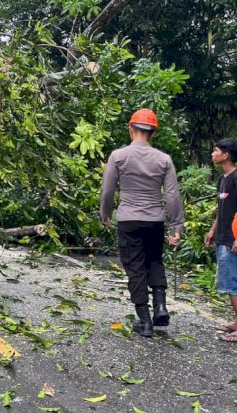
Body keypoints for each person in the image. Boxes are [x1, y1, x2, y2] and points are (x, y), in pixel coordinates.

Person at [99, 108, 183, 337]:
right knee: (155, 261)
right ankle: (161, 306)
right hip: (155, 220)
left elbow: (107, 191)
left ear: (131, 129)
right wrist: (176, 227)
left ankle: (145, 321)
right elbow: (173, 195)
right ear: (153, 133)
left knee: (135, 267)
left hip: (128, 220)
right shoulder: (164, 159)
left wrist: (105, 214)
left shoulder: (118, 156)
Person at [205, 138, 237, 342]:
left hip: (232, 240)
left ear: (226, 155)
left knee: (233, 283)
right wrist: (212, 231)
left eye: (216, 150)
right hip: (223, 237)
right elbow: (222, 209)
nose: (212, 153)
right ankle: (236, 322)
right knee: (230, 283)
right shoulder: (223, 179)